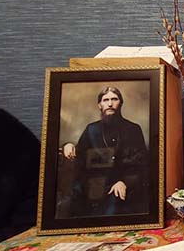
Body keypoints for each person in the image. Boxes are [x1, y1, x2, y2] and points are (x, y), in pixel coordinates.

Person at [62, 87, 149, 217]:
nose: (110, 104)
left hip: (122, 187)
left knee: (114, 207)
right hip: (94, 187)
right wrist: (67, 145)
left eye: (114, 99)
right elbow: (80, 155)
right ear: (99, 105)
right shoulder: (91, 129)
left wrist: (124, 182)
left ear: (121, 103)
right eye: (105, 100)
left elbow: (141, 164)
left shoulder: (133, 129)